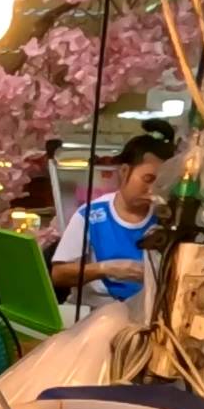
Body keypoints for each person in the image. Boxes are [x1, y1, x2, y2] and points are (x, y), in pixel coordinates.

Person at [50, 122, 175, 309]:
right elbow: (59, 274)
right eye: (147, 179)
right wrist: (106, 268)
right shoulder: (91, 215)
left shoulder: (167, 218)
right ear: (124, 171)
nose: (152, 190)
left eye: (161, 183)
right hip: (95, 314)